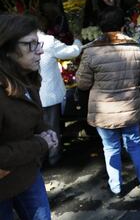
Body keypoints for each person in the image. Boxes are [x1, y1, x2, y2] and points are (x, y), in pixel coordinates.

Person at [76, 7, 140, 197]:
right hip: (130, 108)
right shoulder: (136, 48)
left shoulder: (91, 51)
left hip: (104, 111)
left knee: (110, 147)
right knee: (135, 145)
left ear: (101, 26)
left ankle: (116, 187)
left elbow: (82, 84)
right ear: (122, 26)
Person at [0, 14, 58, 219]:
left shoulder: (24, 77)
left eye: (38, 43)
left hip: (27, 175)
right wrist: (41, 144)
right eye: (30, 45)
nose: (40, 51)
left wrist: (45, 130)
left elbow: (32, 117)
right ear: (6, 48)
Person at [38, 30, 83, 165]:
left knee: (37, 128)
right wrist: (77, 40)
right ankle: (53, 158)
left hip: (32, 94)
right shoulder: (48, 41)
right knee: (51, 127)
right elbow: (72, 52)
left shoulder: (18, 41)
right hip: (48, 94)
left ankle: (41, 159)